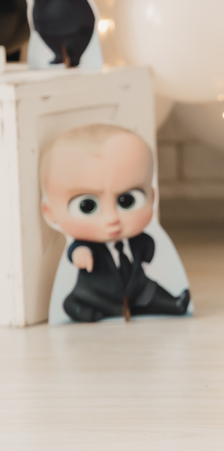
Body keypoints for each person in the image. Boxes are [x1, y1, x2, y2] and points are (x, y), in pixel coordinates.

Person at [40, 123, 190, 322]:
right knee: (75, 302)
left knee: (152, 292)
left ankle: (174, 304)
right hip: (98, 294)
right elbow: (77, 250)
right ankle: (82, 309)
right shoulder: (87, 246)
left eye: (127, 201)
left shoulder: (138, 240)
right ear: (50, 213)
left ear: (152, 197)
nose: (112, 218)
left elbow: (148, 251)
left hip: (137, 288)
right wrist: (80, 254)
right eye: (87, 206)